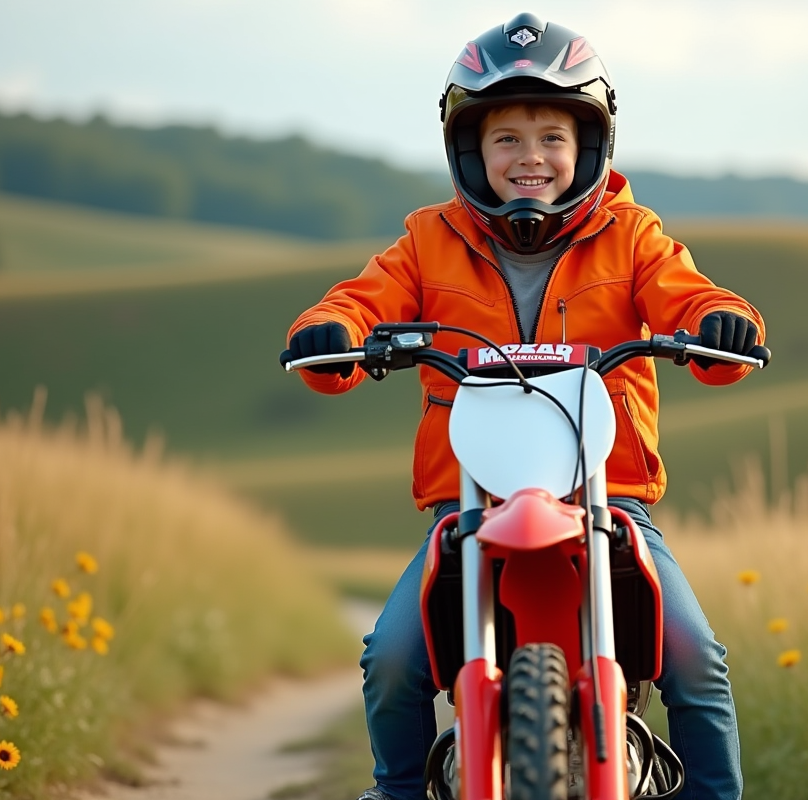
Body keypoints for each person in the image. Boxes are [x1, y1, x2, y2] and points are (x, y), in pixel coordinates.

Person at [283, 14, 765, 800]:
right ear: (470, 150)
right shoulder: (426, 240)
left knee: (695, 655)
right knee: (392, 657)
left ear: (589, 147)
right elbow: (359, 302)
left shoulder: (634, 237)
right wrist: (333, 330)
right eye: (505, 138)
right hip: (466, 509)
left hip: (612, 508)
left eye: (551, 136)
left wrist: (715, 322)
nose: (529, 157)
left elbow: (691, 295)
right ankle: (399, 790)